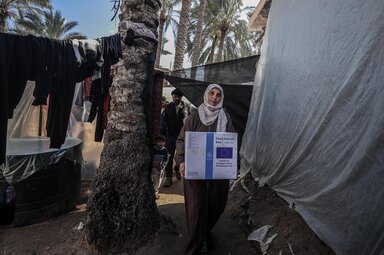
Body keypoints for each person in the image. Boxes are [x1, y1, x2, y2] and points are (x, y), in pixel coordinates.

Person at [176, 84, 236, 254]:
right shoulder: (195, 117)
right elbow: (181, 140)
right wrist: (181, 161)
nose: (214, 98)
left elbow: (230, 142)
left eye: (218, 95)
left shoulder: (225, 118)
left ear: (221, 98)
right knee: (196, 207)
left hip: (217, 172)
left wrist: (231, 165)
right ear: (206, 95)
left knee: (217, 205)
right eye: (212, 94)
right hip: (194, 171)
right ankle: (194, 247)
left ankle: (203, 233)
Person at [161, 88, 186, 187]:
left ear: (181, 97)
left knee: (180, 155)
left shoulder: (185, 108)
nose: (176, 98)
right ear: (172, 97)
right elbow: (163, 121)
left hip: (182, 137)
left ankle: (177, 168)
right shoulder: (168, 107)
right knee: (169, 156)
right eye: (175, 96)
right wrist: (164, 133)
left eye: (178, 96)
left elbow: (188, 121)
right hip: (170, 136)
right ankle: (169, 177)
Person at [152, 135, 169, 199]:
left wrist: (162, 166)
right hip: (153, 169)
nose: (161, 143)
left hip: (160, 170)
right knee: (151, 180)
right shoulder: (153, 149)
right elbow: (150, 158)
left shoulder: (165, 150)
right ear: (156, 142)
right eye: (159, 141)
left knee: (157, 182)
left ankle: (155, 192)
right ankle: (152, 192)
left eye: (163, 142)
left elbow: (166, 159)